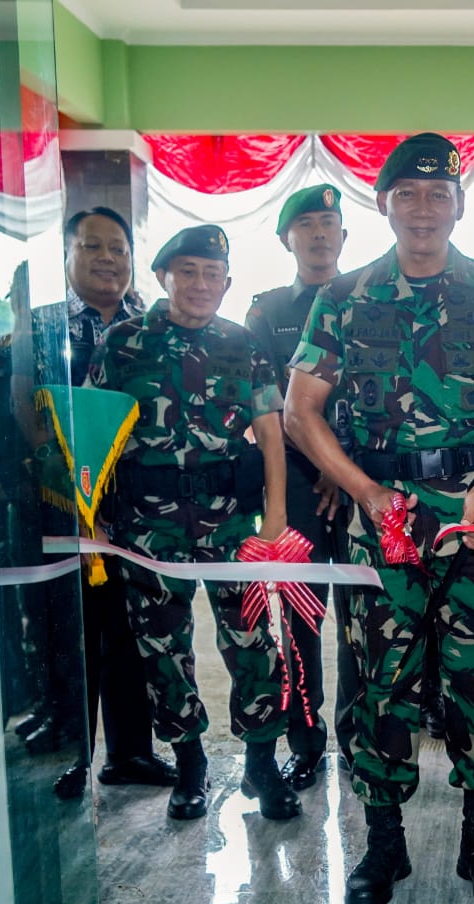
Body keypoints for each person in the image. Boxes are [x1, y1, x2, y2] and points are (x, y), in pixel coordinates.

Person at [285, 133, 474, 904]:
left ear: (457, 205)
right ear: (384, 204)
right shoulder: (345, 298)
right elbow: (301, 412)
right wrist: (361, 490)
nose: (423, 209)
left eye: (438, 195)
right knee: (382, 685)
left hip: (470, 517)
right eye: (407, 195)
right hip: (382, 514)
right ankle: (382, 846)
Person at [86, 224, 300, 823]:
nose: (200, 284)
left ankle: (261, 764)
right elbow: (94, 438)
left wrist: (276, 513)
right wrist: (95, 522)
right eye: (188, 271)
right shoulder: (122, 343)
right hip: (146, 527)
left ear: (227, 284)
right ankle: (190, 764)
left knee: (254, 643)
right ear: (164, 277)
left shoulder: (243, 345)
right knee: (163, 650)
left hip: (230, 521)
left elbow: (271, 432)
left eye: (212, 275)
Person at [28, 208, 175, 795]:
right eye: (92, 247)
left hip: (140, 507)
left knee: (133, 630)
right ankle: (73, 754)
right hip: (67, 504)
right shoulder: (42, 327)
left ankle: (131, 752)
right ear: (67, 255)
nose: (108, 258)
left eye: (118, 247)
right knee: (73, 634)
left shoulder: (154, 326)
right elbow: (25, 408)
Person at [245, 183, 353, 790]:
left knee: (364, 618)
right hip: (301, 492)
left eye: (328, 223)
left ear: (344, 235)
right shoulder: (266, 315)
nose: (318, 233)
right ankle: (307, 741)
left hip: (361, 487)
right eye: (306, 224)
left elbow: (379, 400)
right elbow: (268, 411)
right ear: (287, 238)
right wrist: (319, 474)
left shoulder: (367, 299)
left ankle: (360, 735)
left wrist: (344, 475)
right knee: (304, 622)